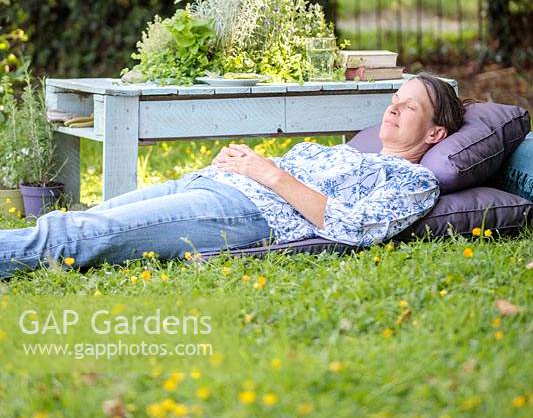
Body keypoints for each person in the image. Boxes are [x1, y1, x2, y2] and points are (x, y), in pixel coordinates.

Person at [0, 73, 464, 278]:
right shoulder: (359, 149)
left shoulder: (414, 182)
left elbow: (357, 229)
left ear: (436, 132)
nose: (393, 108)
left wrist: (267, 172)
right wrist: (245, 163)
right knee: (90, 219)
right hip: (217, 185)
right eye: (394, 99)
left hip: (242, 212)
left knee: (77, 234)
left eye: (410, 107)